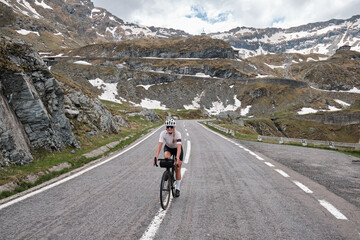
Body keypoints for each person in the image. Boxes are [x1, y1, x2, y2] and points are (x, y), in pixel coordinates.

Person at [154, 118, 183, 197]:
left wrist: (177, 157)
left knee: (177, 168)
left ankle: (177, 188)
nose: (169, 128)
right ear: (166, 127)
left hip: (177, 149)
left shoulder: (178, 134)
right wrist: (156, 156)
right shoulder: (163, 133)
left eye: (171, 127)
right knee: (166, 158)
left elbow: (179, 147)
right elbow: (160, 145)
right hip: (168, 148)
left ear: (174, 127)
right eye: (167, 127)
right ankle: (168, 172)